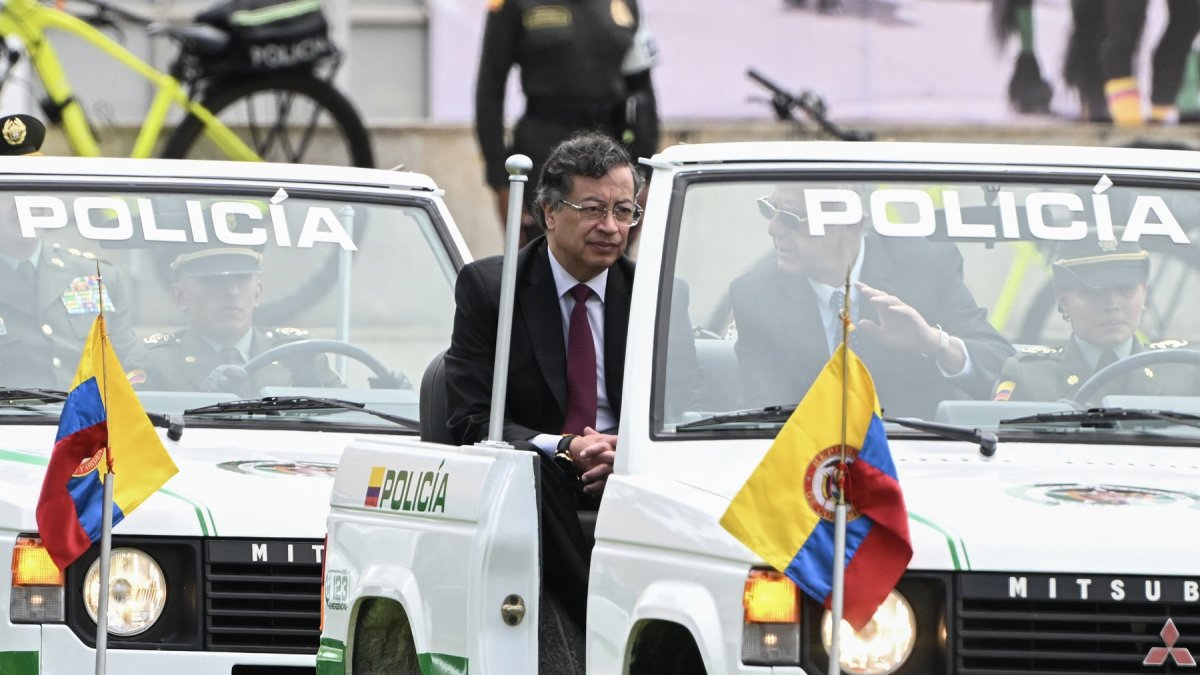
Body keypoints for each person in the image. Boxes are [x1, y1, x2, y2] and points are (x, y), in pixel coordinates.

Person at [444, 131, 641, 673]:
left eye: (624, 210)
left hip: (626, 472)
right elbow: (471, 420)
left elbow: (681, 413)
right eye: (593, 209)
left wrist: (626, 451)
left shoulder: (654, 292)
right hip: (536, 475)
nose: (611, 227)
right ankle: (603, 624)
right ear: (549, 213)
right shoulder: (492, 289)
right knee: (532, 471)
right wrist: (566, 446)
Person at [729, 184, 1015, 419]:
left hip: (919, 453)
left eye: (791, 218)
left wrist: (933, 342)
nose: (774, 229)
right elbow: (764, 414)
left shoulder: (926, 267)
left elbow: (1003, 368)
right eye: (770, 210)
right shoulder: (755, 295)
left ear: (850, 223)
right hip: (810, 458)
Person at [474, 0, 660, 247]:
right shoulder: (513, 4)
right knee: (543, 259)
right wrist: (501, 183)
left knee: (608, 256)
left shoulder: (627, 3)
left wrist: (645, 178)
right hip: (542, 155)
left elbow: (643, 93)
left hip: (611, 155)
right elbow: (490, 93)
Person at [0, 113, 143, 389]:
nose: (25, 205)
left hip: (89, 416)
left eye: (34, 190)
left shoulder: (96, 276)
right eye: (10, 192)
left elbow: (130, 365)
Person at [992, 237, 1196, 402]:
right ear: (1063, 300)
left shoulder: (1187, 374)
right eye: (1095, 291)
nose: (1113, 303)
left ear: (1144, 293)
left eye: (1126, 289)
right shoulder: (1028, 378)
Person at [138, 247, 341, 396]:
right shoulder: (155, 362)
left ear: (258, 292)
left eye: (242, 278)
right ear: (180, 296)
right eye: (213, 281)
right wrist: (200, 403)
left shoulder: (299, 354)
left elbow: (348, 415)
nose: (232, 292)